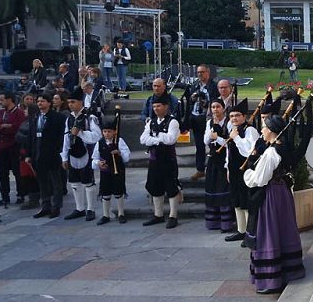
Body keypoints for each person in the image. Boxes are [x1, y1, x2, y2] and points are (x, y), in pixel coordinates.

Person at [244, 114, 305, 294]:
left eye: (263, 127)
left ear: (271, 130)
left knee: (268, 231)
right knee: (282, 228)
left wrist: (247, 174)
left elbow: (259, 179)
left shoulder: (271, 152)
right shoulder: (281, 147)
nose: (262, 131)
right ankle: (288, 269)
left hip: (270, 194)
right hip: (282, 193)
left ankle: (271, 278)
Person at [140, 93, 181, 228]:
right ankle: (158, 215)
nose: (156, 109)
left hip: (168, 159)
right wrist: (158, 139)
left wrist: (155, 136)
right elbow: (143, 139)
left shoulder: (172, 122)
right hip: (154, 159)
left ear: (166, 107)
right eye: (154, 106)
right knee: (155, 186)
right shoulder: (151, 122)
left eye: (158, 106)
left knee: (171, 187)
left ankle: (173, 216)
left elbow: (171, 139)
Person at [61, 88, 102, 222]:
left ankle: (90, 209)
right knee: (74, 182)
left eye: (73, 102)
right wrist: (64, 156)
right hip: (73, 153)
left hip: (86, 153)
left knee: (88, 182)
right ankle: (79, 208)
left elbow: (97, 136)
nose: (70, 105)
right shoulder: (69, 119)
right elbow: (66, 138)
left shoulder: (90, 117)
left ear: (80, 102)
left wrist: (80, 133)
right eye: (69, 102)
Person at [25, 93, 67, 218]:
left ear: (49, 103)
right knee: (42, 183)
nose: (40, 103)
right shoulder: (35, 117)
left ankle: (56, 206)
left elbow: (62, 136)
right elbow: (31, 137)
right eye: (38, 101)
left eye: (42, 101)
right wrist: (28, 154)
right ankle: (45, 205)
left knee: (56, 182)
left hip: (53, 154)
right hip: (38, 154)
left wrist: (60, 151)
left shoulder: (57, 117)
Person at [222, 99, 258, 246]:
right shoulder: (232, 130)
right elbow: (228, 151)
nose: (234, 118)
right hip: (234, 170)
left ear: (244, 116)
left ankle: (250, 233)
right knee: (236, 200)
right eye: (231, 116)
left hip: (246, 170)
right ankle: (241, 230)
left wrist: (236, 138)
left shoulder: (250, 131)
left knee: (245, 201)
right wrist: (227, 168)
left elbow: (249, 152)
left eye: (237, 115)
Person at [203, 99, 236, 233]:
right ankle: (214, 222)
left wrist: (218, 138)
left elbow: (230, 142)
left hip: (224, 159)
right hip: (213, 159)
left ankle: (226, 223)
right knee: (212, 187)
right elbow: (206, 140)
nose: (215, 110)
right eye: (213, 107)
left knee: (224, 188)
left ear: (223, 108)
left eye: (217, 107)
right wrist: (212, 135)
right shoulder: (209, 122)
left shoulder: (228, 123)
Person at [0, 93, 26, 205]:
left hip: (14, 146)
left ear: (9, 99)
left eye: (2, 100)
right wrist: (4, 126)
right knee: (2, 172)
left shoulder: (19, 112)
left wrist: (3, 126)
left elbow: (18, 127)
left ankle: (21, 194)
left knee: (17, 171)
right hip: (2, 146)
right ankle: (5, 196)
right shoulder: (1, 112)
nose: (0, 102)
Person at [185, 64, 219, 181]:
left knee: (212, 144)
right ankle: (200, 170)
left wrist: (206, 102)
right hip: (195, 117)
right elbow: (189, 101)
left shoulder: (214, 86)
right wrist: (193, 99)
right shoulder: (194, 85)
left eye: (202, 72)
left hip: (208, 118)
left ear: (208, 72)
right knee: (199, 145)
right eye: (198, 72)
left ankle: (213, 169)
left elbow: (216, 101)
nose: (200, 74)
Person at [93, 118, 130, 225]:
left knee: (118, 191)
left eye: (109, 131)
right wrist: (98, 163)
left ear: (114, 132)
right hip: (106, 171)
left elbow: (127, 156)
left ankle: (121, 213)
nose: (107, 134)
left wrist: (119, 153)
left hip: (118, 170)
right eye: (104, 131)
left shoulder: (119, 141)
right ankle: (106, 215)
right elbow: (95, 157)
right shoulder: (99, 143)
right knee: (105, 192)